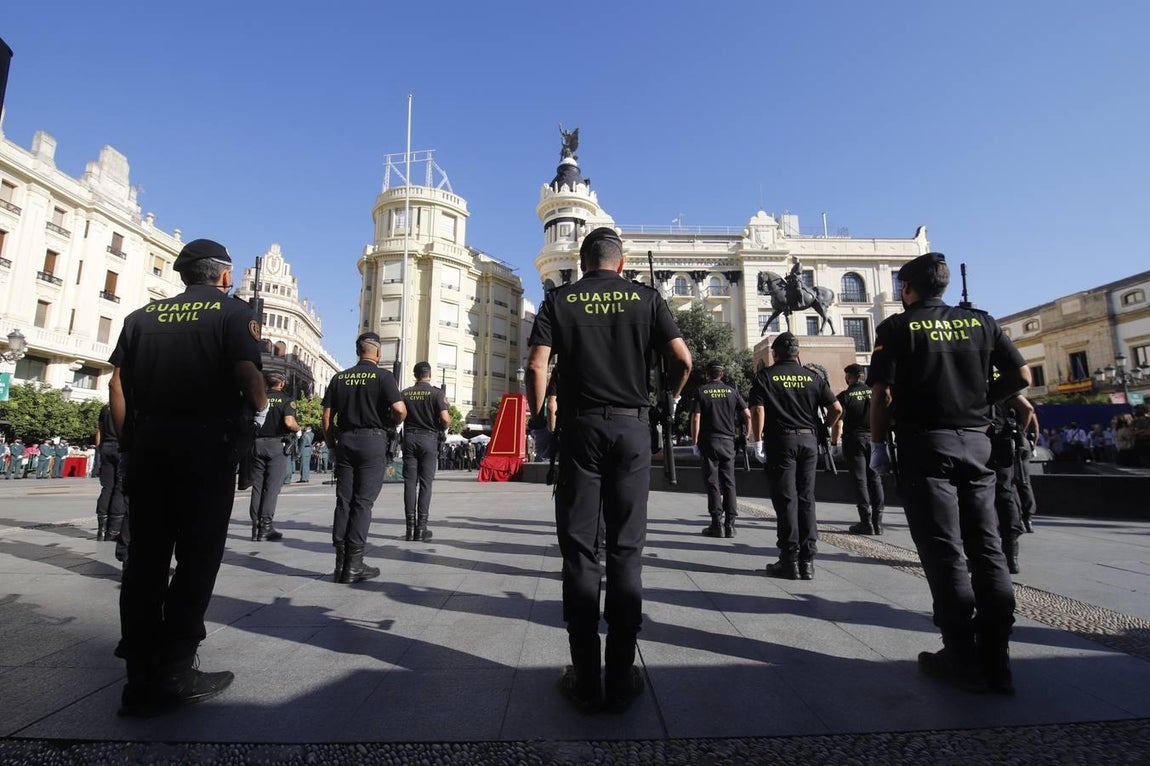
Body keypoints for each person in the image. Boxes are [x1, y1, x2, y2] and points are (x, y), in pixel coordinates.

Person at [525, 226, 691, 714]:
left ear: (583, 262)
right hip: (633, 429)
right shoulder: (647, 298)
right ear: (621, 262)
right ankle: (620, 675)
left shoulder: (560, 299)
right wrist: (669, 399)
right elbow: (682, 358)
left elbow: (537, 365)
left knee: (579, 549)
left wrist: (542, 422)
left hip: (580, 430)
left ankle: (584, 676)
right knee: (626, 548)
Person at [108, 238, 267, 717]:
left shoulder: (140, 317)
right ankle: (177, 668)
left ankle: (138, 676)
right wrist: (257, 416)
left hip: (151, 447)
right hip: (205, 448)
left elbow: (116, 383)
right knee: (198, 557)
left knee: (145, 560)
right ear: (222, 275)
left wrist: (131, 440)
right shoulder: (233, 314)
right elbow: (248, 374)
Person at [867, 252, 1030, 695]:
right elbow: (1021, 376)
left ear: (907, 288)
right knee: (987, 548)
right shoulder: (982, 322)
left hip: (926, 446)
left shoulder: (897, 328)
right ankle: (997, 660)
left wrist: (879, 445)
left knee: (944, 551)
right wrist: (981, 399)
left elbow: (880, 394)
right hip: (978, 444)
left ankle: (959, 654)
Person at [749, 332, 841, 581]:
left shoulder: (765, 377)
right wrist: (823, 429)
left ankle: (789, 560)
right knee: (806, 499)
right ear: (797, 353)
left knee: (786, 500)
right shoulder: (813, 377)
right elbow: (836, 409)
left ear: (775, 354)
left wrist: (757, 441)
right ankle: (808, 560)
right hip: (809, 441)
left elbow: (757, 411)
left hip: (781, 441)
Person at [322, 332, 406, 583]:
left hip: (346, 441)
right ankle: (354, 565)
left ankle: (340, 563)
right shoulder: (383, 376)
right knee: (363, 502)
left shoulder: (339, 378)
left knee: (344, 500)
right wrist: (393, 424)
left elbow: (327, 418)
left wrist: (332, 444)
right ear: (378, 353)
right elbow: (400, 409)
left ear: (358, 351)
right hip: (372, 441)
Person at [690, 360, 750, 538]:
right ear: (722, 374)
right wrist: (747, 435)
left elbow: (695, 418)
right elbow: (747, 414)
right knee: (729, 482)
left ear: (707, 375)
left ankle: (717, 524)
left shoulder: (701, 391)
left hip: (709, 442)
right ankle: (730, 525)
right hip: (728, 441)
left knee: (713, 483)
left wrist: (694, 442)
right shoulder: (732, 391)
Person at [831, 363, 884, 535]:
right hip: (875, 439)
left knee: (860, 481)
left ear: (849, 377)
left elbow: (838, 423)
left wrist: (833, 443)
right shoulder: (874, 391)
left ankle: (865, 521)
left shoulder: (845, 396)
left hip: (854, 441)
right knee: (875, 479)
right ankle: (878, 522)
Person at [401, 362, 451, 542]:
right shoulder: (437, 393)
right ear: (429, 374)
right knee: (425, 484)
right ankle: (421, 528)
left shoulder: (405, 393)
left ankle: (409, 528)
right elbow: (445, 419)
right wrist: (441, 425)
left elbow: (398, 413)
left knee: (409, 483)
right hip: (429, 439)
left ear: (415, 374)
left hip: (409, 438)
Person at [249, 372, 300, 542]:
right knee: (272, 487)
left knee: (257, 486)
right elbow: (289, 422)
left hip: (257, 443)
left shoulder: (259, 397)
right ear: (282, 383)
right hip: (276, 445)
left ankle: (255, 525)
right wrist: (297, 428)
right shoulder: (286, 400)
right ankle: (266, 526)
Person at [94, 405, 127, 542]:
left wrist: (100, 449)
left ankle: (101, 530)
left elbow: (99, 431)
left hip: (106, 446)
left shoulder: (105, 408)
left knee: (107, 488)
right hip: (120, 446)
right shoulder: (126, 404)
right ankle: (113, 531)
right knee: (120, 488)